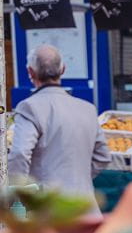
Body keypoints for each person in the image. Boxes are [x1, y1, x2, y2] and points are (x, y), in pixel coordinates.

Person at [9, 44, 111, 215]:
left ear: (30, 72)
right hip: (87, 210)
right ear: (63, 69)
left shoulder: (29, 107)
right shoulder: (88, 109)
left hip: (49, 212)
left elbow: (19, 154)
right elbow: (103, 156)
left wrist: (17, 198)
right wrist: (76, 180)